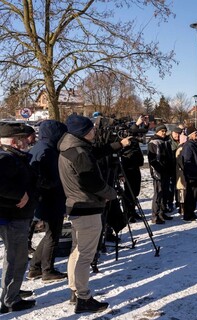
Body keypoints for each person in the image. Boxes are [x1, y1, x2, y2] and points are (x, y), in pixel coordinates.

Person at [58, 114, 130, 313]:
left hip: (77, 205)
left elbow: (92, 156)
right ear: (83, 132)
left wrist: (116, 145)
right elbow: (92, 181)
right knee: (84, 255)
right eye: (91, 129)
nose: (95, 131)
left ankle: (74, 289)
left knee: (77, 250)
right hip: (86, 207)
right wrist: (111, 193)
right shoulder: (80, 152)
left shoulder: (71, 147)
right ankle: (84, 297)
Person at [0, 122, 37, 313]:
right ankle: (10, 300)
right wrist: (19, 194)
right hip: (13, 218)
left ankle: (11, 291)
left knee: (16, 258)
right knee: (16, 259)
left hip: (17, 216)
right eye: (23, 139)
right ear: (15, 141)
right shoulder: (6, 158)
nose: (27, 142)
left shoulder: (14, 157)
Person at [27, 120, 69, 283]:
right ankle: (47, 270)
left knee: (49, 234)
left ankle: (35, 267)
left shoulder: (38, 147)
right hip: (51, 198)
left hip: (43, 199)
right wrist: (56, 184)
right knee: (53, 235)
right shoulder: (49, 151)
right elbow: (50, 177)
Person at [121, 116, 146, 223]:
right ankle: (127, 213)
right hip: (127, 168)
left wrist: (145, 124)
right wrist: (137, 123)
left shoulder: (133, 136)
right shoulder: (123, 135)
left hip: (135, 167)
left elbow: (142, 132)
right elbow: (130, 131)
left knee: (135, 191)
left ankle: (133, 211)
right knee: (128, 191)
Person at [148, 124, 174, 224]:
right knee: (158, 194)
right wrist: (158, 171)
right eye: (161, 131)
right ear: (157, 131)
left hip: (167, 172)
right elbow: (153, 160)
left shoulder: (166, 141)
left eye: (164, 131)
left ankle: (162, 212)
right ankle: (155, 215)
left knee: (165, 193)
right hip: (158, 172)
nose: (163, 133)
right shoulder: (153, 142)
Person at [181, 126, 197, 221]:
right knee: (190, 195)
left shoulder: (194, 144)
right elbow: (187, 161)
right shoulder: (188, 145)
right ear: (190, 135)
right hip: (192, 175)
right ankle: (188, 214)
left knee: (194, 195)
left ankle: (191, 212)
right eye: (195, 133)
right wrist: (194, 171)